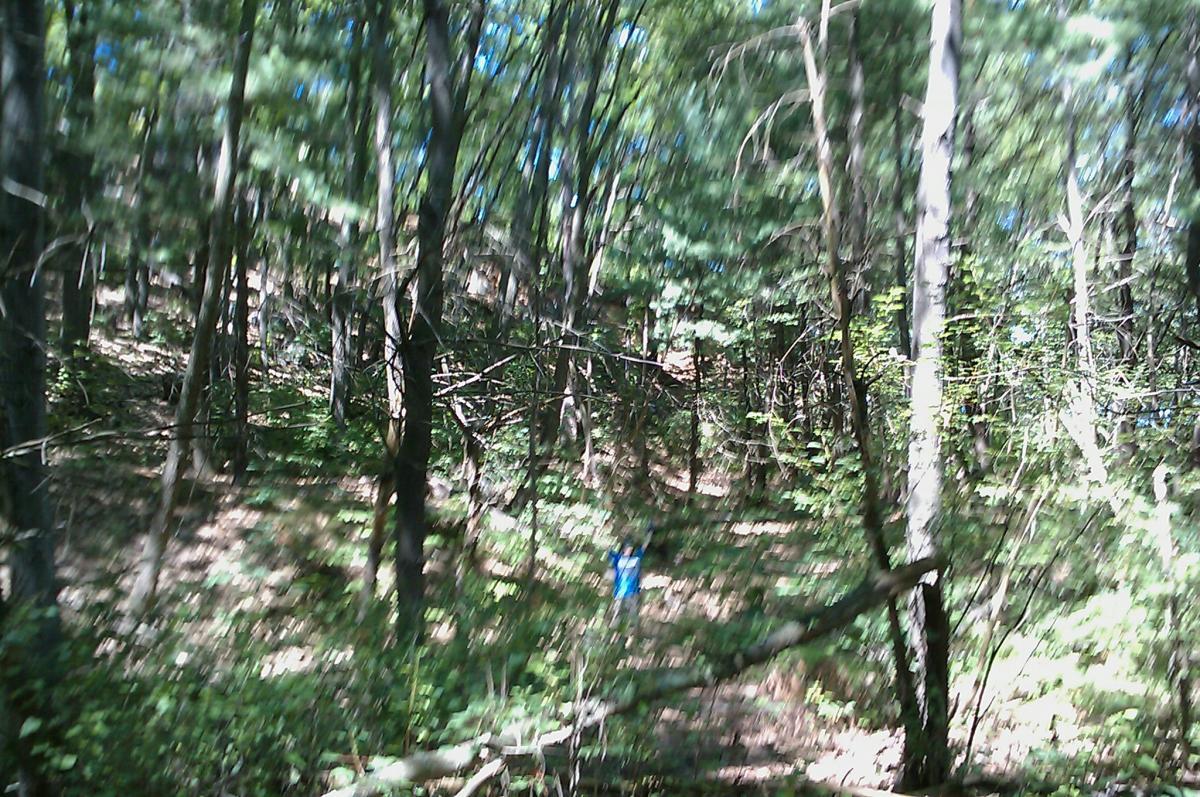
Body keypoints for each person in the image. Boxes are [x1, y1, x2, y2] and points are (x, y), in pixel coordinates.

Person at [608, 524, 654, 629]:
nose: (630, 551)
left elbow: (644, 546)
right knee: (617, 611)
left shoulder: (635, 558)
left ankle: (633, 627)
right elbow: (608, 550)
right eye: (628, 549)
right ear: (624, 549)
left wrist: (649, 534)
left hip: (632, 590)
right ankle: (614, 626)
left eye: (631, 549)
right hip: (620, 590)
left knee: (632, 611)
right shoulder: (618, 559)